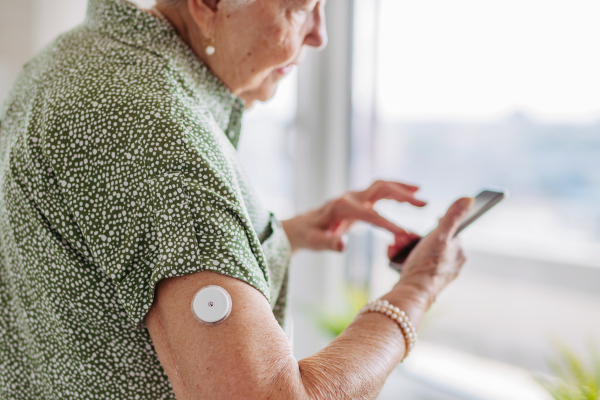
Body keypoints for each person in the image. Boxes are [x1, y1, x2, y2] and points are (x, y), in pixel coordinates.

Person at [0, 0, 473, 398]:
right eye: (302, 6)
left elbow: (100, 262)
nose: (319, 36)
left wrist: (280, 236)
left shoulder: (73, 59)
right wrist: (417, 287)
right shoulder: (155, 129)